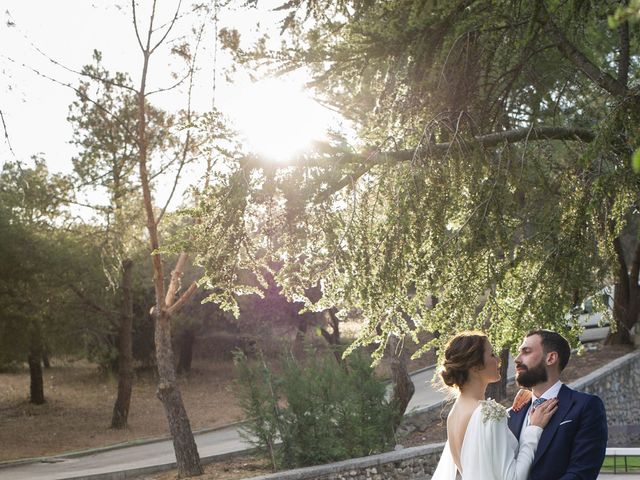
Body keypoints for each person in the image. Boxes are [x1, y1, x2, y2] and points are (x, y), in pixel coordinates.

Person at [431, 331, 559, 480]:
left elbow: (481, 458)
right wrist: (534, 429)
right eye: (492, 355)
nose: (498, 360)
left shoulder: (455, 413)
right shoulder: (489, 413)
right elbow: (514, 477)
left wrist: (511, 411)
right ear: (475, 367)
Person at [508, 330, 608, 480]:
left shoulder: (585, 406)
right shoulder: (512, 413)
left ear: (551, 358)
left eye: (526, 352)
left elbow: (581, 473)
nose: (517, 359)